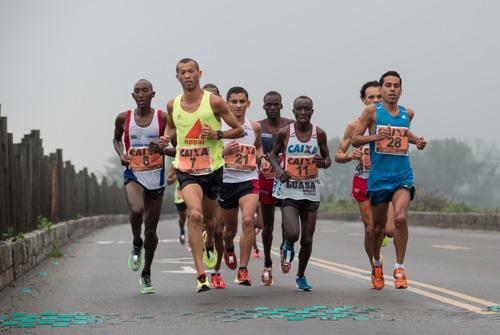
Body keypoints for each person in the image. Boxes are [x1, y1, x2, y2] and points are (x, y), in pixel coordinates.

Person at [159, 58, 244, 292]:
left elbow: (239, 129)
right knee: (194, 216)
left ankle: (209, 243)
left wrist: (217, 134)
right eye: (182, 73)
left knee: (211, 221)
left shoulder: (214, 102)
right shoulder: (172, 104)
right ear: (177, 77)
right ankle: (200, 275)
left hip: (212, 169)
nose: (187, 76)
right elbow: (171, 128)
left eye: (191, 71)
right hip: (186, 169)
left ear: (199, 74)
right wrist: (166, 138)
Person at [352, 71, 427, 290]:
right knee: (376, 229)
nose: (392, 89)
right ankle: (376, 264)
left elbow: (405, 134)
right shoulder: (371, 112)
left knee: (401, 218)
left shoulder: (407, 113)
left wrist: (418, 141)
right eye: (388, 85)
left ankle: (400, 267)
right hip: (379, 178)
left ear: (401, 90)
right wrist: (374, 137)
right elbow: (356, 139)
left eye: (396, 85)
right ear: (382, 89)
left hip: (402, 175)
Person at [269, 96, 331, 291]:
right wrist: (279, 170)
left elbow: (327, 157)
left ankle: (301, 275)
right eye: (299, 109)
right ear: (294, 112)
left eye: (307, 109)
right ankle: (287, 243)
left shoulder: (319, 134)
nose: (303, 112)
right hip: (290, 191)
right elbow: (272, 155)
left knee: (307, 239)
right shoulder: (285, 133)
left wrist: (325, 162)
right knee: (294, 234)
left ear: (312, 112)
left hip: (311, 191)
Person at [113, 79, 169, 294]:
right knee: (137, 210)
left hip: (156, 176)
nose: (141, 94)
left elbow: (174, 140)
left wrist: (163, 146)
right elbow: (116, 140)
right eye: (137, 91)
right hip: (133, 173)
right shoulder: (124, 118)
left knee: (152, 230)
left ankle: (146, 273)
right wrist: (122, 154)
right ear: (133, 95)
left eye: (145, 90)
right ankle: (136, 243)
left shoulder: (162, 117)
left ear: (152, 94)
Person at [334, 81, 395, 273]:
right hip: (363, 179)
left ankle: (382, 233)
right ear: (363, 100)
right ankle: (375, 266)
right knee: (370, 229)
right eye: (371, 97)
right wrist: (349, 156)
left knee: (391, 230)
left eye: (379, 96)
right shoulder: (354, 125)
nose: (376, 100)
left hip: (386, 178)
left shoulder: (392, 121)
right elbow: (338, 154)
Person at [210, 86, 263, 288]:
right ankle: (228, 246)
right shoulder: (219, 125)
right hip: (226, 181)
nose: (238, 106)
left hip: (249, 179)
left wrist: (261, 158)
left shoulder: (254, 127)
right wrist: (223, 151)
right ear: (227, 103)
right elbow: (208, 153)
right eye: (234, 102)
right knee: (228, 230)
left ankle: (243, 270)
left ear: (248, 103)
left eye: (242, 101)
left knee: (248, 220)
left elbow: (258, 147)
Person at [258, 91, 294, 286]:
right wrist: (261, 161)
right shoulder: (259, 126)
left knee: (287, 223)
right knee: (268, 225)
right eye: (269, 105)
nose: (272, 108)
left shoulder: (289, 125)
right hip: (266, 178)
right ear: (264, 106)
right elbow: (255, 150)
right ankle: (267, 263)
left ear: (281, 106)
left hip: (285, 178)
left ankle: (283, 248)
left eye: (276, 104)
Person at [166, 164, 188, 248]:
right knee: (182, 218)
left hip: (192, 192)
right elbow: (168, 181)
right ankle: (182, 230)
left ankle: (192, 239)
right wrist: (177, 176)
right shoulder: (176, 163)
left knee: (192, 215)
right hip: (180, 195)